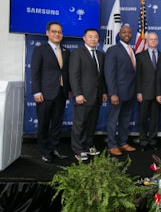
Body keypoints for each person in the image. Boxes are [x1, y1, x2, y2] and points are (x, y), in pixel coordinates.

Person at [31, 21, 70, 163]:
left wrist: (68, 90)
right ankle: (44, 151)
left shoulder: (66, 51)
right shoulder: (40, 50)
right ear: (47, 33)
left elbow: (66, 73)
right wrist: (36, 91)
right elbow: (34, 72)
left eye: (59, 32)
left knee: (57, 123)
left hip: (61, 93)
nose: (57, 34)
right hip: (45, 94)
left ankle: (53, 148)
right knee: (43, 124)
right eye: (54, 31)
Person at [69, 28, 107, 161]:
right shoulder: (77, 53)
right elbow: (74, 76)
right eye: (90, 37)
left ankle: (88, 145)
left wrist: (103, 92)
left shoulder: (101, 55)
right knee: (80, 123)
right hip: (83, 96)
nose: (93, 39)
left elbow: (101, 77)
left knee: (91, 123)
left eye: (96, 37)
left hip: (96, 96)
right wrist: (77, 94)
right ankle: (78, 149)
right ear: (84, 38)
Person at [104, 25, 137, 156]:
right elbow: (109, 73)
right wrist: (113, 93)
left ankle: (123, 142)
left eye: (129, 32)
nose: (127, 34)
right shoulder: (113, 50)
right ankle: (112, 145)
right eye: (124, 32)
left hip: (130, 92)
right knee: (113, 120)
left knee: (125, 119)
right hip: (117, 93)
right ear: (119, 34)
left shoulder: (132, 49)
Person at [136, 32, 161, 151]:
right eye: (150, 39)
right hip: (144, 93)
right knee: (142, 118)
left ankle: (152, 140)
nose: (153, 41)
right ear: (146, 41)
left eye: (155, 39)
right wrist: (139, 92)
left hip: (158, 94)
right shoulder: (140, 56)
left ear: (158, 41)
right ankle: (143, 140)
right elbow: (137, 76)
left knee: (155, 119)